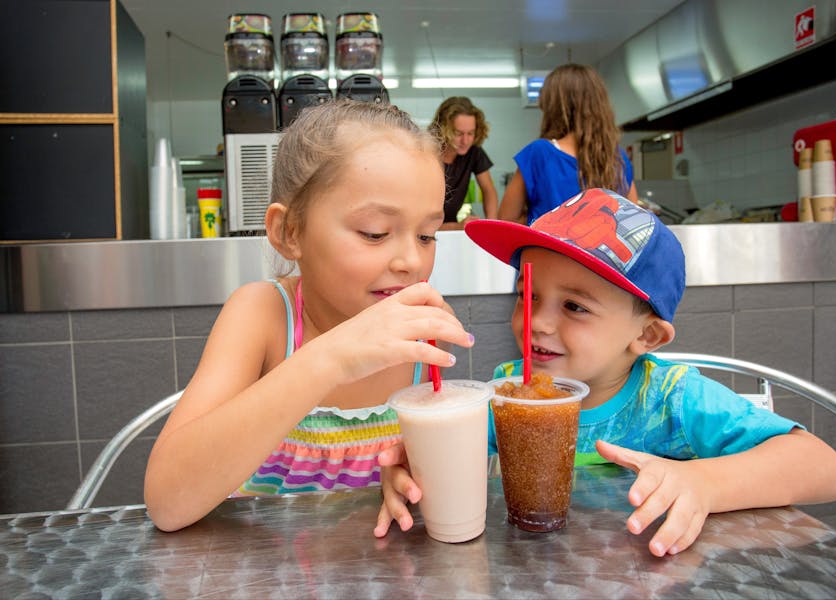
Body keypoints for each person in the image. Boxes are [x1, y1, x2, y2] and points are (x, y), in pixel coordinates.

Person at [376, 188, 836, 556]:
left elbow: (829, 471)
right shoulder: (513, 389)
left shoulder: (673, 400)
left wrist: (706, 484)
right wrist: (414, 471)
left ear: (645, 337)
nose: (537, 321)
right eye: (529, 295)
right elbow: (451, 465)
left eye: (575, 306)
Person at [143, 99, 475, 532]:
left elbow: (428, 485)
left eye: (427, 235)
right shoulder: (262, 317)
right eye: (374, 233)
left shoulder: (424, 335)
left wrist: (411, 478)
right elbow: (167, 503)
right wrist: (329, 359)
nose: (411, 260)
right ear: (290, 232)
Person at [498, 64, 639, 225]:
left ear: (552, 106)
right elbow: (634, 220)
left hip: (549, 249)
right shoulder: (617, 157)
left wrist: (538, 219)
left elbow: (506, 220)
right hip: (604, 251)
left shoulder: (539, 153)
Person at [429, 96, 499, 230]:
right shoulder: (427, 152)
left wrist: (492, 224)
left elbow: (488, 189)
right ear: (444, 129)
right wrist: (458, 226)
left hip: (451, 225)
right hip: (425, 228)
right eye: (458, 133)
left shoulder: (473, 152)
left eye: (470, 133)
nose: (465, 141)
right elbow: (422, 221)